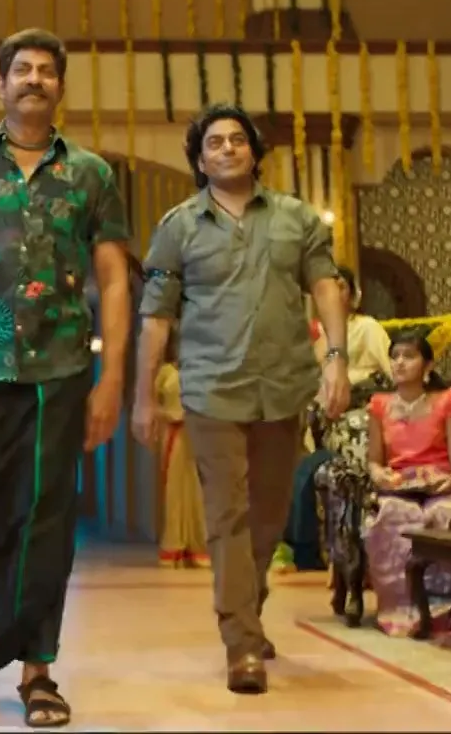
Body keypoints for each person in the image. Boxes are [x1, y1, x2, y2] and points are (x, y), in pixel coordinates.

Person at [0, 28, 129, 727]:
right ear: (1, 84)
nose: (34, 79)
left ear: (60, 86)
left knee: (46, 518)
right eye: (22, 70)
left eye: (46, 71)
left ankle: (38, 670)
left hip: (58, 365)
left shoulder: (91, 174)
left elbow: (113, 280)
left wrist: (111, 378)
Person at [132, 103, 351, 694]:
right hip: (211, 388)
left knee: (268, 514)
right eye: (214, 143)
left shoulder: (296, 218)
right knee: (226, 513)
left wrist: (336, 358)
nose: (227, 148)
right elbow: (155, 318)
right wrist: (143, 397)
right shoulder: (179, 227)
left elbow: (325, 285)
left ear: (255, 152)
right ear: (200, 161)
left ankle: (248, 609)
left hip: (283, 384)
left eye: (237, 140)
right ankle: (241, 643)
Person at [361, 334, 451, 636]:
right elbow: (374, 462)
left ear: (427, 365)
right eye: (395, 356)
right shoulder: (379, 406)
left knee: (446, 514)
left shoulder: (447, 401)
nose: (400, 363)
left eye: (409, 356)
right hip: (398, 486)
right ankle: (404, 611)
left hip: (440, 483)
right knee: (394, 516)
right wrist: (379, 475)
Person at [151, 328, 206, 569]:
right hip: (173, 434)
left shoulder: (198, 370)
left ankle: (198, 546)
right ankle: (175, 545)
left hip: (197, 434)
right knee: (175, 490)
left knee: (197, 490)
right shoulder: (164, 372)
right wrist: (170, 415)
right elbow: (152, 405)